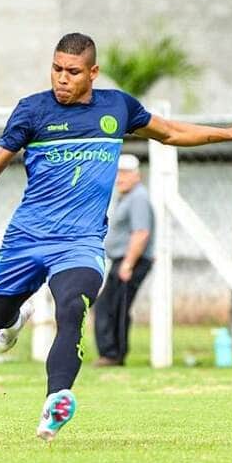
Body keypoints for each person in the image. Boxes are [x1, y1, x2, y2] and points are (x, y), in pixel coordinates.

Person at [0, 32, 232, 441]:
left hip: (80, 244)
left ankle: (56, 402)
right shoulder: (32, 111)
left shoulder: (117, 107)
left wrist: (230, 133)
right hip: (26, 239)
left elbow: (171, 132)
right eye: (55, 69)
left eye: (72, 72)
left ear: (93, 73)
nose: (61, 79)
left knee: (72, 308)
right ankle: (15, 320)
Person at [93, 154, 153, 367]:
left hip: (130, 260)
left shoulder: (138, 198)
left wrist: (128, 263)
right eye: (117, 173)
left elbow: (141, 232)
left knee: (112, 307)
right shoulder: (126, 197)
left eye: (125, 173)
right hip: (123, 259)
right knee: (111, 306)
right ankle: (112, 353)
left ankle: (112, 354)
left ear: (137, 175)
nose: (120, 178)